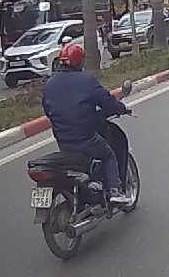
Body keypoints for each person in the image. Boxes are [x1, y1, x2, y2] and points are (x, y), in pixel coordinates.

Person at [41, 43, 131, 205]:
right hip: (86, 139)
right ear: (80, 61)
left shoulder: (50, 83)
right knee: (108, 155)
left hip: (63, 141)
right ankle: (114, 191)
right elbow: (107, 101)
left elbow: (48, 110)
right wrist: (121, 108)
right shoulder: (86, 80)